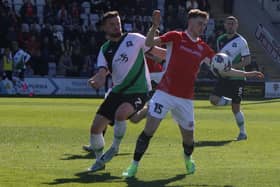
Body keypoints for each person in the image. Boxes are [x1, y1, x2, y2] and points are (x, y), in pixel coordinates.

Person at [122, 9, 264, 178]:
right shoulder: (175, 36)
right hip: (164, 93)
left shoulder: (203, 48)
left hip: (185, 99)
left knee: (189, 140)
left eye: (205, 24)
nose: (203, 27)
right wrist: (154, 26)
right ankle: (134, 166)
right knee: (149, 130)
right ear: (190, 22)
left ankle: (187, 158)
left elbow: (224, 70)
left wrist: (247, 74)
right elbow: (150, 43)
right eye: (200, 23)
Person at [84, 10, 166, 172]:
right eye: (112, 24)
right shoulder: (105, 49)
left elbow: (158, 54)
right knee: (95, 129)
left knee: (121, 114)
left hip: (139, 90)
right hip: (117, 91)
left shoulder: (135, 39)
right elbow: (102, 73)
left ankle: (115, 147)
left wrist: (178, 55)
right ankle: (99, 161)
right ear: (104, 28)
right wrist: (96, 81)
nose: (116, 26)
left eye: (118, 23)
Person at [209, 16, 252, 141]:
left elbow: (247, 60)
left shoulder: (241, 41)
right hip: (224, 77)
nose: (230, 26)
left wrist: (230, 67)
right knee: (213, 100)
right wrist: (219, 69)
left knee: (236, 109)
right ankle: (229, 101)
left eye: (233, 24)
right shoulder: (220, 40)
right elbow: (220, 59)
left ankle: (243, 133)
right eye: (228, 23)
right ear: (225, 25)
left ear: (236, 25)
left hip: (237, 77)